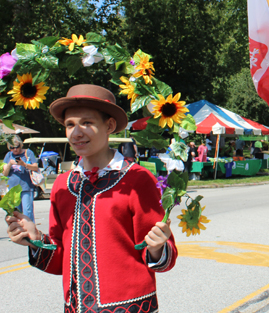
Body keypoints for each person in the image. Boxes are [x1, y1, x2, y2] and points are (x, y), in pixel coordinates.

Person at [5, 84, 177, 312]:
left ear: (110, 125)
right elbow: (59, 260)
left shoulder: (137, 179)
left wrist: (157, 248)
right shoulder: (62, 185)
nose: (76, 133)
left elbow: (160, 254)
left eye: (87, 123)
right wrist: (35, 238)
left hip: (130, 307)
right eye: (69, 125)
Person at [2, 135, 39, 222]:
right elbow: (4, 174)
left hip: (26, 187)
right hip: (13, 189)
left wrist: (23, 164)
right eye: (12, 147)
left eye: (17, 147)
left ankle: (31, 232)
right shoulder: (8, 155)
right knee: (17, 213)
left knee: (27, 212)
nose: (15, 149)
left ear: (21, 145)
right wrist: (9, 164)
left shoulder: (28, 153)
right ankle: (22, 233)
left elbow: (36, 167)